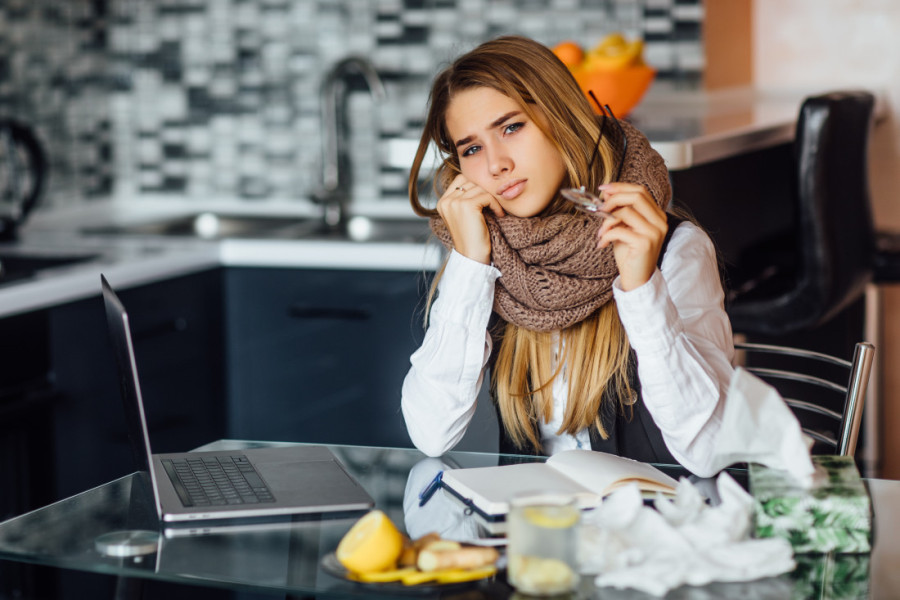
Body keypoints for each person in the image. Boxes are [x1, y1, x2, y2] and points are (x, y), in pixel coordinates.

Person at [400, 35, 734, 477]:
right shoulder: (486, 250)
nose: (496, 164)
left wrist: (641, 289)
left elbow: (710, 453)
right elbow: (430, 434)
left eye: (511, 127)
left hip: (650, 516)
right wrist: (470, 264)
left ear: (561, 119)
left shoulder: (673, 249)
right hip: (532, 515)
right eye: (472, 148)